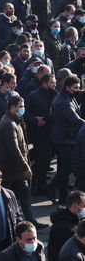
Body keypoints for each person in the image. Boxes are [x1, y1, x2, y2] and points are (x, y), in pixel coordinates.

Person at [0, 95, 48, 230]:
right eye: (20, 106)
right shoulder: (8, 123)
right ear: (13, 108)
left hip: (15, 168)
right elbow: (14, 148)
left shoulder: (15, 121)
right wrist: (25, 167)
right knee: (6, 197)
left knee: (24, 194)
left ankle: (30, 221)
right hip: (11, 168)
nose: (23, 109)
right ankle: (8, 223)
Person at [49, 75, 85, 204]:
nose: (78, 90)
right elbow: (75, 119)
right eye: (75, 88)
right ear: (67, 87)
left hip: (67, 138)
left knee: (64, 167)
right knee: (69, 166)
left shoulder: (68, 97)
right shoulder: (64, 102)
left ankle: (62, 196)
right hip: (62, 140)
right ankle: (51, 186)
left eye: (79, 87)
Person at [24, 74, 57, 194]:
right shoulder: (33, 96)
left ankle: (39, 186)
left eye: (54, 82)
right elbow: (24, 113)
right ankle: (30, 177)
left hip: (50, 132)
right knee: (45, 157)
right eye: (52, 83)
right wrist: (35, 119)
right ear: (44, 83)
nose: (54, 85)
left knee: (43, 159)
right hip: (38, 133)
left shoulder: (55, 94)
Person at [48, 190, 85, 261]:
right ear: (74, 206)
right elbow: (62, 254)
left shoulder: (74, 220)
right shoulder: (63, 227)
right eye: (84, 206)